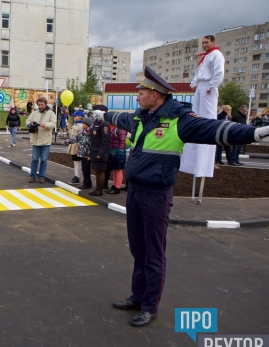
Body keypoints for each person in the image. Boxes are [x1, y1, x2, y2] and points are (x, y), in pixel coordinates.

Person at [101, 66, 269, 327]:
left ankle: (149, 306)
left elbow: (213, 129)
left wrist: (252, 133)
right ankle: (137, 296)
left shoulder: (180, 118)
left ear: (155, 95)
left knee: (154, 253)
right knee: (138, 249)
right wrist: (102, 113)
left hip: (156, 195)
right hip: (134, 193)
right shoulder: (140, 116)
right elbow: (120, 117)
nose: (137, 96)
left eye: (141, 92)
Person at [180, 35, 225, 179]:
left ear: (213, 42)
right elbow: (198, 73)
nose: (204, 45)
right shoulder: (205, 57)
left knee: (207, 117)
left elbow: (219, 72)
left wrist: (212, 86)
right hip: (201, 86)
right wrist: (193, 83)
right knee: (196, 115)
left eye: (207, 42)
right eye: (203, 43)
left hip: (208, 87)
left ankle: (205, 136)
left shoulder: (216, 55)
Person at [26, 97, 57, 183]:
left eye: (42, 105)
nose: (40, 106)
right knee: (34, 159)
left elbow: (53, 124)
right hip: (35, 140)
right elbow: (27, 121)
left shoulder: (51, 113)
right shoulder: (34, 113)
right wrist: (30, 124)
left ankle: (41, 176)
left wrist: (45, 124)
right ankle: (32, 176)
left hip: (45, 140)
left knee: (43, 159)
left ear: (45, 104)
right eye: (39, 105)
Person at [88, 108, 110, 196]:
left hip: (100, 153)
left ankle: (99, 190)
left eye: (95, 115)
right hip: (94, 151)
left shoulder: (104, 125)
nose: (93, 117)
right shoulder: (95, 124)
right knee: (97, 171)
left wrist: (100, 153)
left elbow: (105, 141)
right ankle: (97, 189)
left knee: (100, 171)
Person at [62, 111, 87, 184]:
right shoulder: (75, 125)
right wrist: (69, 128)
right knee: (75, 161)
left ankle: (77, 177)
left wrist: (78, 148)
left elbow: (81, 138)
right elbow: (71, 135)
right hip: (73, 144)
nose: (74, 117)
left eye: (75, 116)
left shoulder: (81, 126)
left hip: (77, 145)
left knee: (77, 161)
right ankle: (76, 176)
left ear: (80, 117)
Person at [105, 125, 127, 194]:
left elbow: (122, 142)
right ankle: (114, 185)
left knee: (118, 170)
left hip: (118, 152)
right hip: (113, 151)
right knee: (115, 170)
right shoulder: (116, 129)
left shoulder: (121, 129)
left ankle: (117, 187)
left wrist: (119, 152)